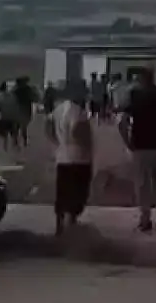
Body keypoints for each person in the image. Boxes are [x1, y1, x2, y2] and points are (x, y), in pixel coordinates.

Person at [120, 69, 156, 232]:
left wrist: (127, 141)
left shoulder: (135, 96)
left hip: (140, 145)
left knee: (143, 185)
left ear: (141, 80)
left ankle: (145, 220)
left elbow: (123, 121)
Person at [46, 80, 95, 236]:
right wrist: (87, 146)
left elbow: (48, 128)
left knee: (63, 191)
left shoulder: (58, 109)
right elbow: (78, 131)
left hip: (62, 156)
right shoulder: (78, 112)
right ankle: (71, 221)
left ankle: (60, 223)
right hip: (79, 157)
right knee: (78, 191)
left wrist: (59, 142)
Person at [0, 82, 20, 152]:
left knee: (6, 134)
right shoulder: (15, 96)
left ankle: (6, 148)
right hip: (10, 117)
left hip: (4, 117)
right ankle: (13, 147)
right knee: (12, 133)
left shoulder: (0, 96)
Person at [13, 76, 36, 148]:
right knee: (24, 127)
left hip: (18, 109)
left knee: (17, 127)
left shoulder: (16, 90)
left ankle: (16, 141)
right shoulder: (28, 89)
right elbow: (32, 98)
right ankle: (24, 141)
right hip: (26, 109)